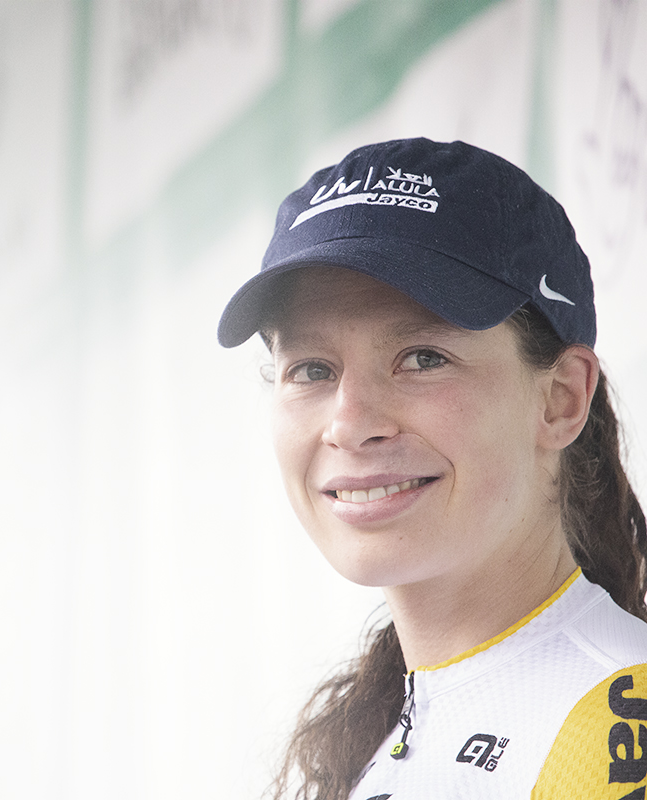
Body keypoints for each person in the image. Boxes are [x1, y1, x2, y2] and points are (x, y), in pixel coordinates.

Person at [216, 138, 647, 800]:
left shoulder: (618, 734)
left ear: (562, 400)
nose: (350, 422)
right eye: (311, 369)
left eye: (422, 358)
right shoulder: (374, 739)